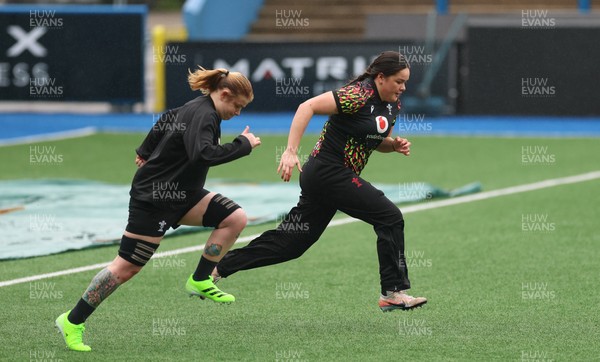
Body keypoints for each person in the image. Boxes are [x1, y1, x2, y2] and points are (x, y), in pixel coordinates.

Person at [55, 67, 261, 352]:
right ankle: (72, 321)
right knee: (125, 268)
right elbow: (202, 154)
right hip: (153, 200)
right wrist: (243, 145)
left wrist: (145, 150)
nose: (238, 113)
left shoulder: (198, 107)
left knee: (234, 219)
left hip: (183, 194)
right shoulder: (205, 115)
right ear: (224, 94)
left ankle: (200, 279)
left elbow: (166, 119)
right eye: (237, 106)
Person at [214, 51, 427, 312]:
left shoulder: (393, 105)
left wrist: (392, 145)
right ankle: (393, 292)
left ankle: (216, 267)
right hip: (328, 172)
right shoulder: (357, 94)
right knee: (390, 216)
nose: (403, 88)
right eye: (399, 81)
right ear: (381, 77)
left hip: (331, 179)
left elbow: (372, 140)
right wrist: (291, 151)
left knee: (291, 243)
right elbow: (308, 106)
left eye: (405, 82)